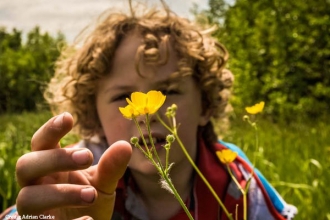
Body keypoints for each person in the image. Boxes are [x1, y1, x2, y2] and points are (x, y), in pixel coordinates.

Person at [0, 1, 297, 220]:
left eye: (167, 91)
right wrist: (43, 215)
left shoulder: (239, 186)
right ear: (94, 116)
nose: (146, 113)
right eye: (123, 97)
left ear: (205, 105)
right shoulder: (77, 178)